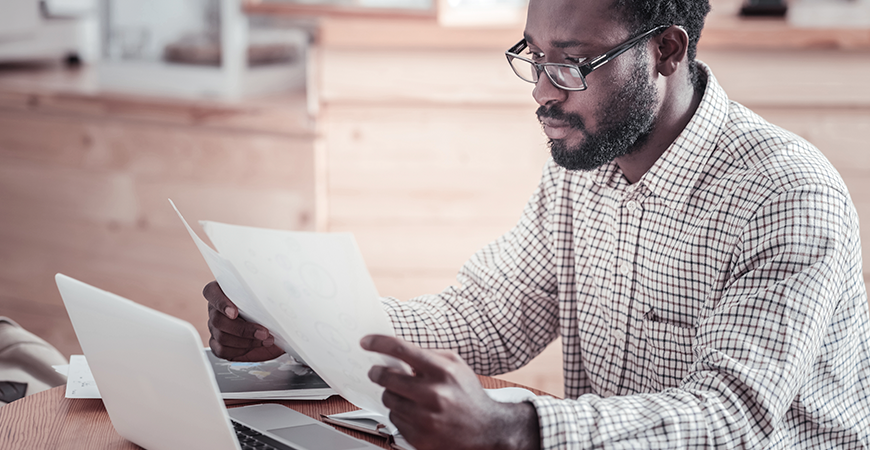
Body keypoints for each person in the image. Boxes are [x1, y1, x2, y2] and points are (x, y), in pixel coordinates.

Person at [203, 0, 870, 446]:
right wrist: (291, 323)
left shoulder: (787, 194)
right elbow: (491, 316)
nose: (542, 91)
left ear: (667, 51)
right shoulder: (585, 162)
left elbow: (729, 420)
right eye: (534, 55)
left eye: (573, 65)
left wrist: (512, 428)